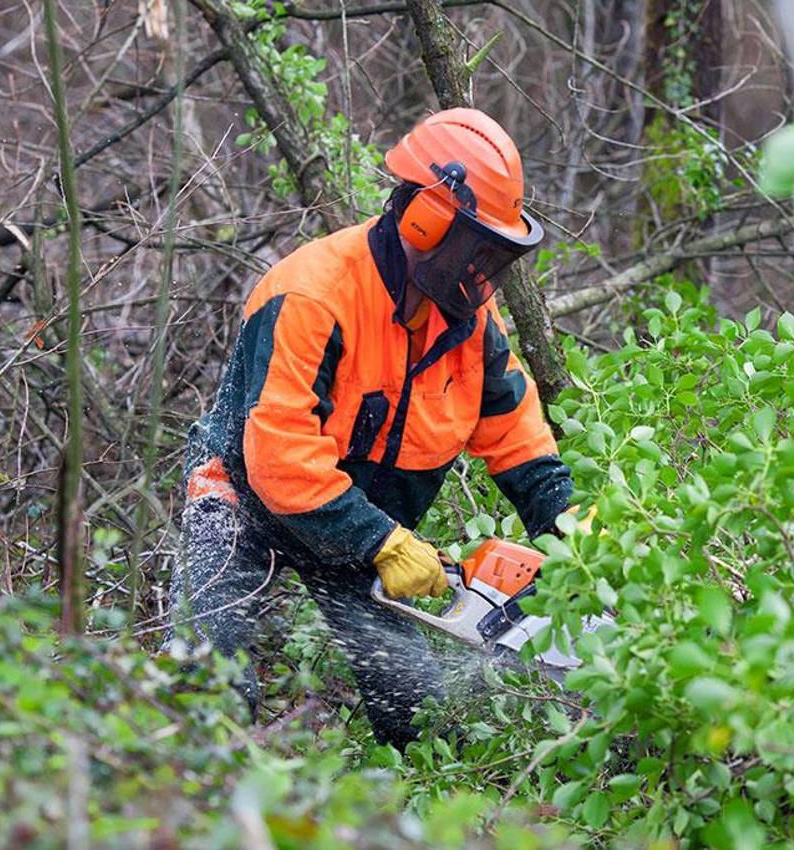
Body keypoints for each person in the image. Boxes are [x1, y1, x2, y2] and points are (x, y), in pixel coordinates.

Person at [163, 108, 572, 749]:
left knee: (421, 711)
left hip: (356, 527)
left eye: (496, 254)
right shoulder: (312, 295)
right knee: (203, 685)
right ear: (426, 220)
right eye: (478, 248)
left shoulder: (466, 324)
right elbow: (277, 456)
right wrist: (382, 541)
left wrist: (572, 523)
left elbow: (517, 438)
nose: (483, 270)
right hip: (244, 499)